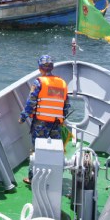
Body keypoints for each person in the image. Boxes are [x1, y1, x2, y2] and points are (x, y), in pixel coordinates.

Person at [19, 55, 69, 186]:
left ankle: (33, 178)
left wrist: (23, 117)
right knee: (55, 150)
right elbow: (66, 105)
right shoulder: (62, 83)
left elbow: (31, 103)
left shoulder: (39, 82)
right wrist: (62, 119)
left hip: (40, 123)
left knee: (37, 150)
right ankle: (55, 177)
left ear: (40, 68)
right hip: (56, 124)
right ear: (52, 67)